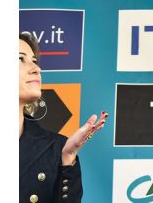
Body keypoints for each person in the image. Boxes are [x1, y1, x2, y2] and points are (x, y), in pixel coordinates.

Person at [19, 32, 107, 203]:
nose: (36, 69)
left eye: (34, 61)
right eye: (20, 59)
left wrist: (67, 158)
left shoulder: (58, 148)